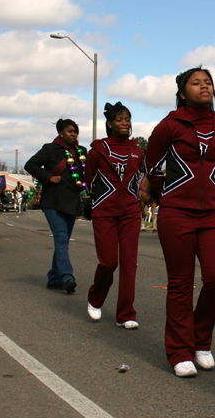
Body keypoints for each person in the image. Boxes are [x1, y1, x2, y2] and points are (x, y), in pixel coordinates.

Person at [146, 66, 215, 378]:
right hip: (176, 214)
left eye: (208, 82)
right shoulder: (168, 126)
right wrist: (166, 199)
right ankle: (179, 351)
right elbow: (153, 168)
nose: (204, 86)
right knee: (181, 284)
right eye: (195, 83)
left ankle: (201, 340)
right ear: (183, 92)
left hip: (211, 213)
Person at [84, 102, 144, 328]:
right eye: (119, 119)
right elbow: (89, 182)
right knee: (109, 262)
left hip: (130, 213)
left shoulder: (137, 150)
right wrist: (100, 201)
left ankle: (126, 314)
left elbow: (138, 179)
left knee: (129, 264)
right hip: (104, 213)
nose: (125, 123)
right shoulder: (97, 151)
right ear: (109, 123)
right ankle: (95, 298)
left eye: (127, 119)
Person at [25, 119, 87, 294]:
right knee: (60, 238)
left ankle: (53, 278)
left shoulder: (81, 151)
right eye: (69, 131)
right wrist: (48, 177)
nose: (73, 134)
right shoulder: (50, 149)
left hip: (72, 200)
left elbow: (86, 171)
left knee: (64, 241)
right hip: (53, 200)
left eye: (75, 131)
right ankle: (67, 276)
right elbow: (30, 165)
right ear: (61, 132)